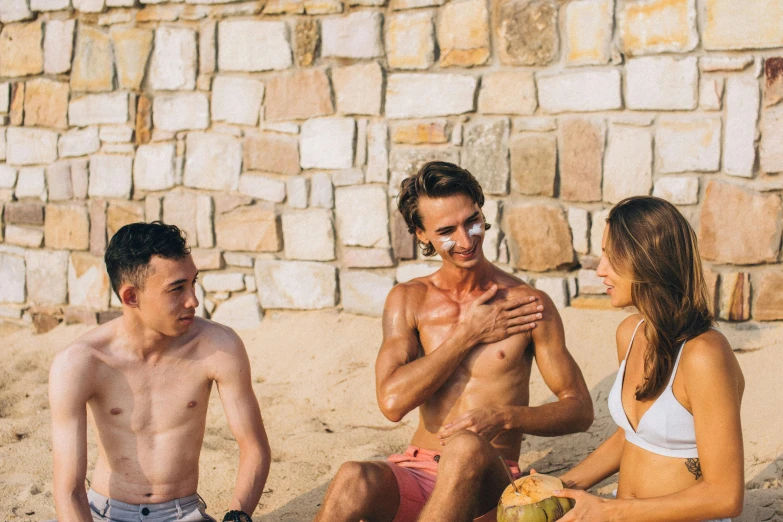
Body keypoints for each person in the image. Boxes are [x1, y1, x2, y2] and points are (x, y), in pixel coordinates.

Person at [314, 161, 594, 522]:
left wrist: (505, 417)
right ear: (421, 234)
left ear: (480, 209)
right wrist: (467, 335)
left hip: (490, 482)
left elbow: (580, 410)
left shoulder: (527, 304)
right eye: (447, 230)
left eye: (471, 221)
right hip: (417, 468)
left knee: (464, 447)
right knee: (354, 476)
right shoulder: (408, 300)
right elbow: (392, 402)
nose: (466, 240)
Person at [49, 222, 271, 522]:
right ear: (131, 297)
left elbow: (253, 446)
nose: (193, 300)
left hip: (182, 514)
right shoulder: (79, 363)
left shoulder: (219, 347)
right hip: (103, 514)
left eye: (193, 282)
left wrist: (237, 514)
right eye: (177, 288)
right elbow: (69, 490)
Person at [553, 196, 745, 521]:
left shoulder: (705, 355)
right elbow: (630, 437)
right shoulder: (629, 333)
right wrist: (559, 485)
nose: (600, 270)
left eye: (611, 258)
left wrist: (611, 512)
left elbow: (725, 495)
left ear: (648, 261)